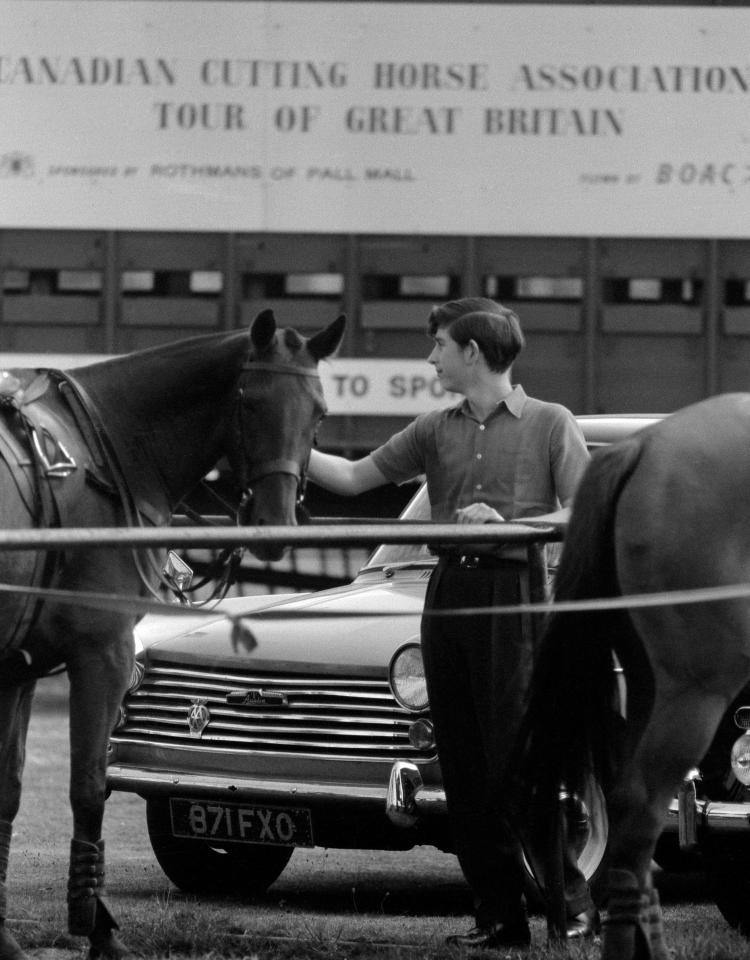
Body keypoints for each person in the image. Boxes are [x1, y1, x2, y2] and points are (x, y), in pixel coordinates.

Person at [307, 297, 598, 949]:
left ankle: (571, 909)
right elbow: (354, 478)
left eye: (438, 344)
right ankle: (499, 919)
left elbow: (583, 511)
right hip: (449, 596)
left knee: (516, 764)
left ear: (472, 352)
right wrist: (294, 445)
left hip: (513, 594)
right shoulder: (435, 429)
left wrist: (513, 525)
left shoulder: (552, 423)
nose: (430, 357)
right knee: (462, 767)